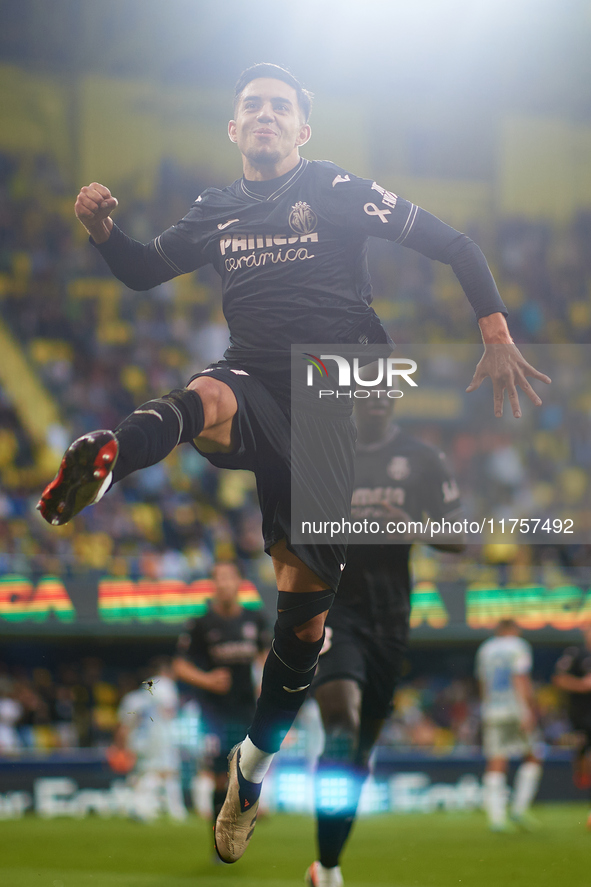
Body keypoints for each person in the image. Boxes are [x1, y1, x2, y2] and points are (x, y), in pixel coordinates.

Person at [36, 62, 550, 862]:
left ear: (302, 129)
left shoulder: (337, 187)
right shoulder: (215, 211)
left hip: (335, 399)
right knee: (204, 399)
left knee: (301, 630)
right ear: (234, 130)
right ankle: (107, 459)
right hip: (254, 380)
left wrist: (492, 326)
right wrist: (103, 230)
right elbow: (141, 270)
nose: (266, 116)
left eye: (280, 107)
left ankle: (252, 767)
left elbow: (455, 241)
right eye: (253, 107)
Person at [305, 391, 464, 887]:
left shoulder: (424, 459)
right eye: (364, 395)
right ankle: (329, 871)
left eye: (382, 394)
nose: (374, 402)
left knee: (358, 756)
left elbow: (459, 537)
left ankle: (327, 863)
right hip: (336, 611)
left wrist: (411, 525)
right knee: (341, 730)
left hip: (391, 620)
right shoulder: (326, 456)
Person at [172, 560, 271, 827]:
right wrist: (208, 679)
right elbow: (179, 666)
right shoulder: (201, 623)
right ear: (212, 584)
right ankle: (219, 838)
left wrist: (265, 679)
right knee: (219, 774)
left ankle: (245, 816)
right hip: (214, 711)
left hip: (248, 708)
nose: (224, 583)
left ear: (240, 582)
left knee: (247, 770)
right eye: (218, 578)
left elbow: (266, 656)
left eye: (229, 577)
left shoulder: (255, 619)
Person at [475, 619, 542, 832]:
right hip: (515, 708)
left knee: (496, 759)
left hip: (493, 709)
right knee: (533, 755)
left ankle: (496, 817)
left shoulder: (485, 649)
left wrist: (486, 708)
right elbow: (520, 677)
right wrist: (527, 709)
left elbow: (483, 682)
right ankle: (519, 808)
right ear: (512, 630)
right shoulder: (518, 646)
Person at [114, 656, 187, 822]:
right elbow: (168, 712)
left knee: (144, 773)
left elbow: (126, 721)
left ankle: (142, 806)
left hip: (139, 738)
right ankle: (148, 806)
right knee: (164, 773)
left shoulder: (138, 693)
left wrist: (122, 744)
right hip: (159, 736)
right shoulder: (165, 685)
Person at [552, 622, 591, 829]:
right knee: (583, 754)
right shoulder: (576, 654)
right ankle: (582, 779)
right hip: (581, 715)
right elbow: (559, 679)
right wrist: (583, 685)